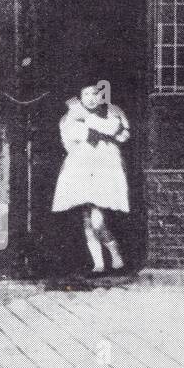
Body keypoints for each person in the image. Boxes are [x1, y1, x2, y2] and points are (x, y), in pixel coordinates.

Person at [51, 82, 131, 275]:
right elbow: (70, 138)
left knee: (96, 218)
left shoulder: (111, 110)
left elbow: (116, 131)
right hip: (82, 165)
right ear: (80, 96)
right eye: (86, 94)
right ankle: (99, 263)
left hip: (105, 164)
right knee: (87, 217)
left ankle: (114, 252)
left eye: (94, 93)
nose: (91, 97)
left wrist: (87, 118)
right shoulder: (71, 116)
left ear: (100, 95)